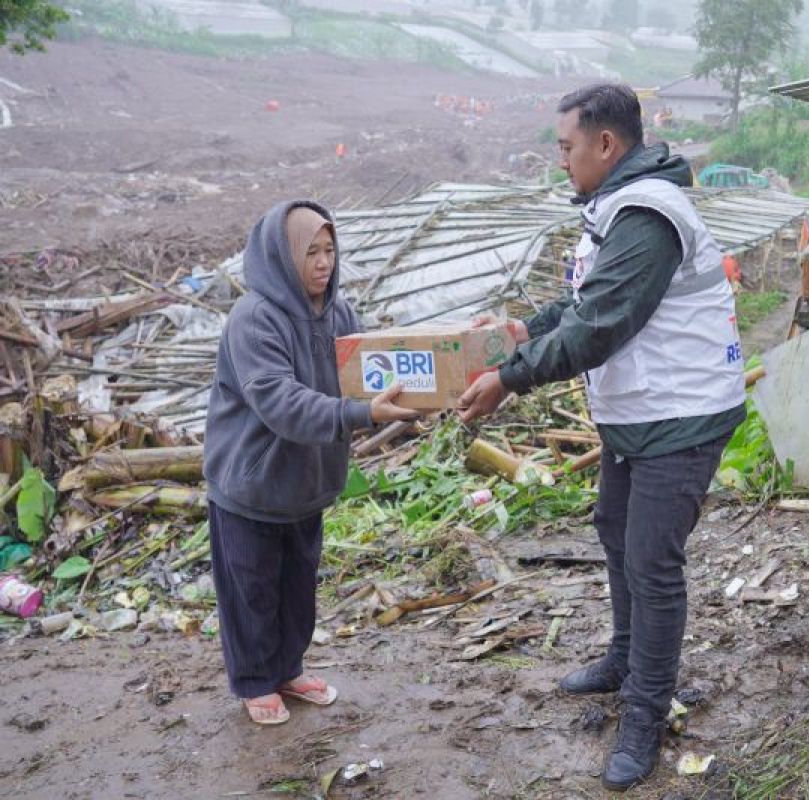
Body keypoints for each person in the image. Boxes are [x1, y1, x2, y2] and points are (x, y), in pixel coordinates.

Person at [459, 83, 746, 791]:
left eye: (566, 147)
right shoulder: (618, 204)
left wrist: (509, 375)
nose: (562, 161)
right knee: (614, 528)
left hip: (680, 415)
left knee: (651, 564)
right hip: (641, 412)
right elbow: (586, 296)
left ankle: (644, 718)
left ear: (606, 145)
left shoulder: (648, 214)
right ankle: (624, 659)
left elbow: (602, 325)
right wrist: (531, 327)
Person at [203, 200, 415, 725]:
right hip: (251, 484)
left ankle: (288, 668)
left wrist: (423, 395)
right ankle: (255, 680)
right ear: (280, 257)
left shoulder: (338, 313)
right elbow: (279, 401)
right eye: (311, 252)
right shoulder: (254, 320)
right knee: (251, 587)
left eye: (329, 249)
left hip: (305, 481)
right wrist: (363, 413)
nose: (324, 262)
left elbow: (370, 371)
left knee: (298, 583)